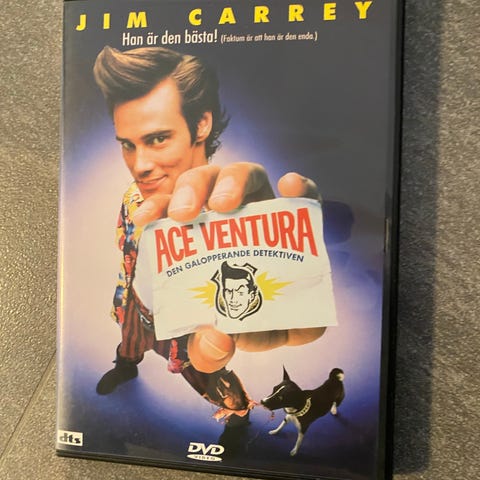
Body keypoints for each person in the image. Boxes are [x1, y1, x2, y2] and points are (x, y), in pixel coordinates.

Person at [93, 45, 326, 418]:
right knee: (128, 347)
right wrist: (125, 299)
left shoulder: (228, 214)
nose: (140, 165)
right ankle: (126, 367)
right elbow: (128, 254)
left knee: (213, 378)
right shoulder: (133, 197)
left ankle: (238, 418)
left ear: (201, 125)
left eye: (157, 138)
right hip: (136, 309)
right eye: (128, 144)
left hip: (188, 328)